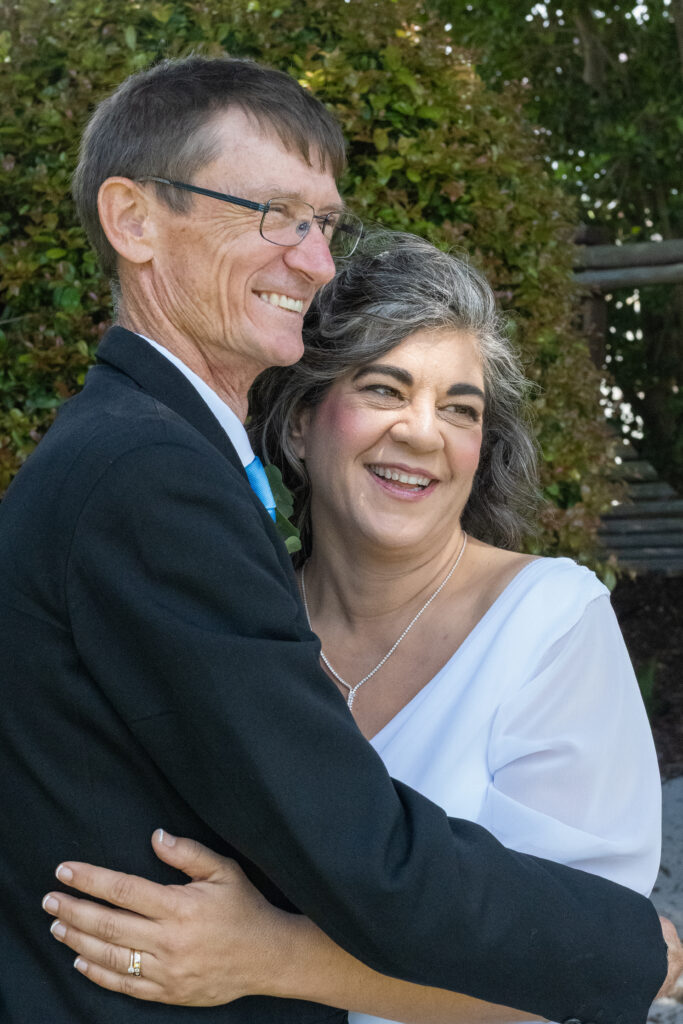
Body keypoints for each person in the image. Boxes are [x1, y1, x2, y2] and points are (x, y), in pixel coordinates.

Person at [0, 54, 673, 1024]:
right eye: (273, 214)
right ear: (133, 220)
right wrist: (637, 948)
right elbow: (356, 849)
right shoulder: (148, 474)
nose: (315, 263)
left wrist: (269, 954)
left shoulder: (149, 454)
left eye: (323, 224)